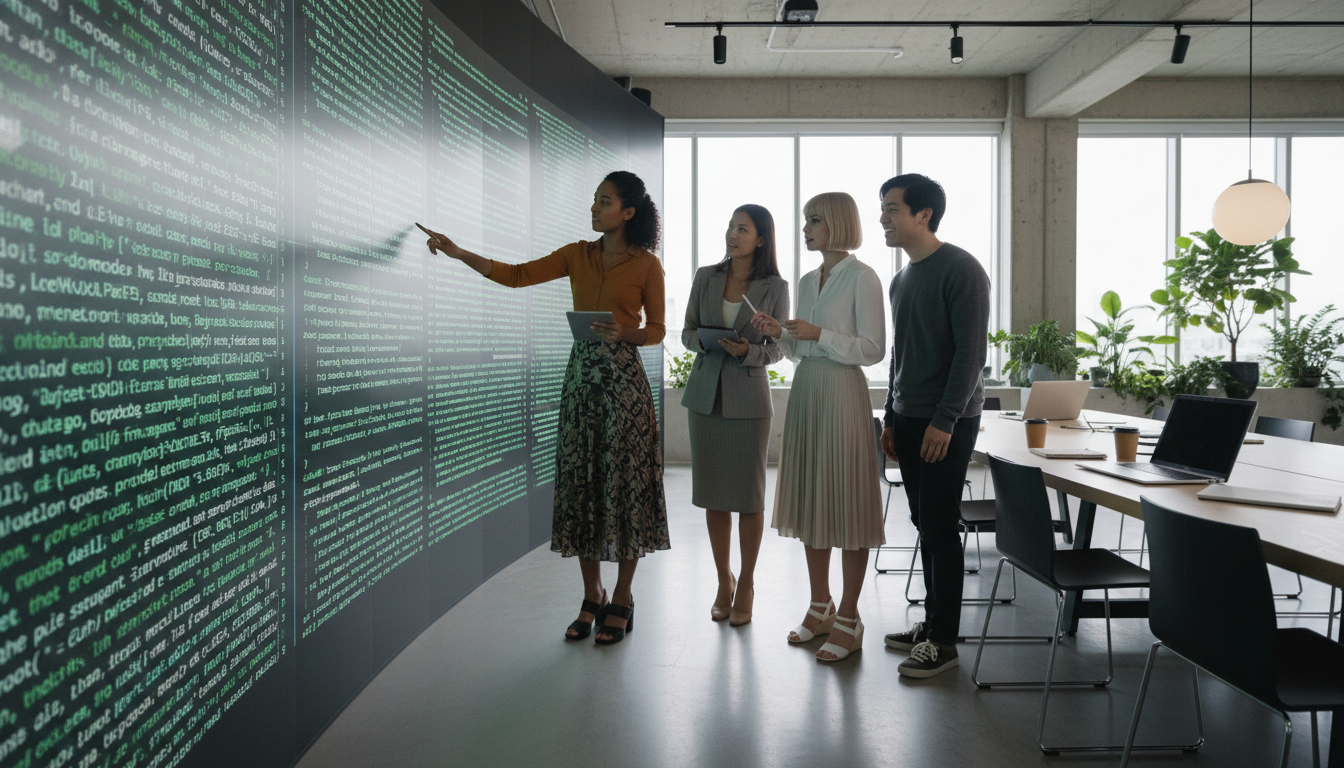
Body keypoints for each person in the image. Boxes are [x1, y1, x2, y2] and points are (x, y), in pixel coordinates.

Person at [422, 170, 668, 646]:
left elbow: (657, 328)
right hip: (581, 382)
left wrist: (629, 332)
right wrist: (459, 253)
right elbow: (516, 277)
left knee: (623, 484)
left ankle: (623, 595)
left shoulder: (646, 265)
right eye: (594, 201)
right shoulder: (578, 254)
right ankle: (591, 594)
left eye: (604, 202)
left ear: (628, 213)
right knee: (583, 483)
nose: (594, 209)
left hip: (625, 384)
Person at [750, 192, 886, 662]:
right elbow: (797, 350)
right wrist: (781, 334)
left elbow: (873, 349)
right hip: (808, 390)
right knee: (812, 499)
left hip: (844, 393)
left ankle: (850, 615)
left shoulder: (864, 278)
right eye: (805, 219)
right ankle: (820, 604)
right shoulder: (807, 281)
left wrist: (817, 334)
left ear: (838, 224)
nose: (806, 227)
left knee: (847, 501)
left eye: (815, 220)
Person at [877, 173, 990, 678]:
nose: (884, 216)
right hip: (908, 417)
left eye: (893, 208)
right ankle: (931, 623)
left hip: (947, 422)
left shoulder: (962, 269)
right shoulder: (901, 278)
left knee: (941, 528)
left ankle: (943, 640)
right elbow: (901, 352)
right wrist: (889, 415)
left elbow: (972, 353)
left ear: (924, 214)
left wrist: (944, 420)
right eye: (883, 207)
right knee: (925, 524)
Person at [682, 205, 789, 627]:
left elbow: (780, 347)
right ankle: (723, 581)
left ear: (760, 239)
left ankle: (745, 583)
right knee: (713, 497)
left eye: (742, 228)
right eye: (730, 225)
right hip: (705, 397)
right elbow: (688, 331)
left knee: (748, 497)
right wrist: (708, 342)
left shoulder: (774, 286)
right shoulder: (705, 276)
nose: (732, 233)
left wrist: (751, 352)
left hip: (748, 400)